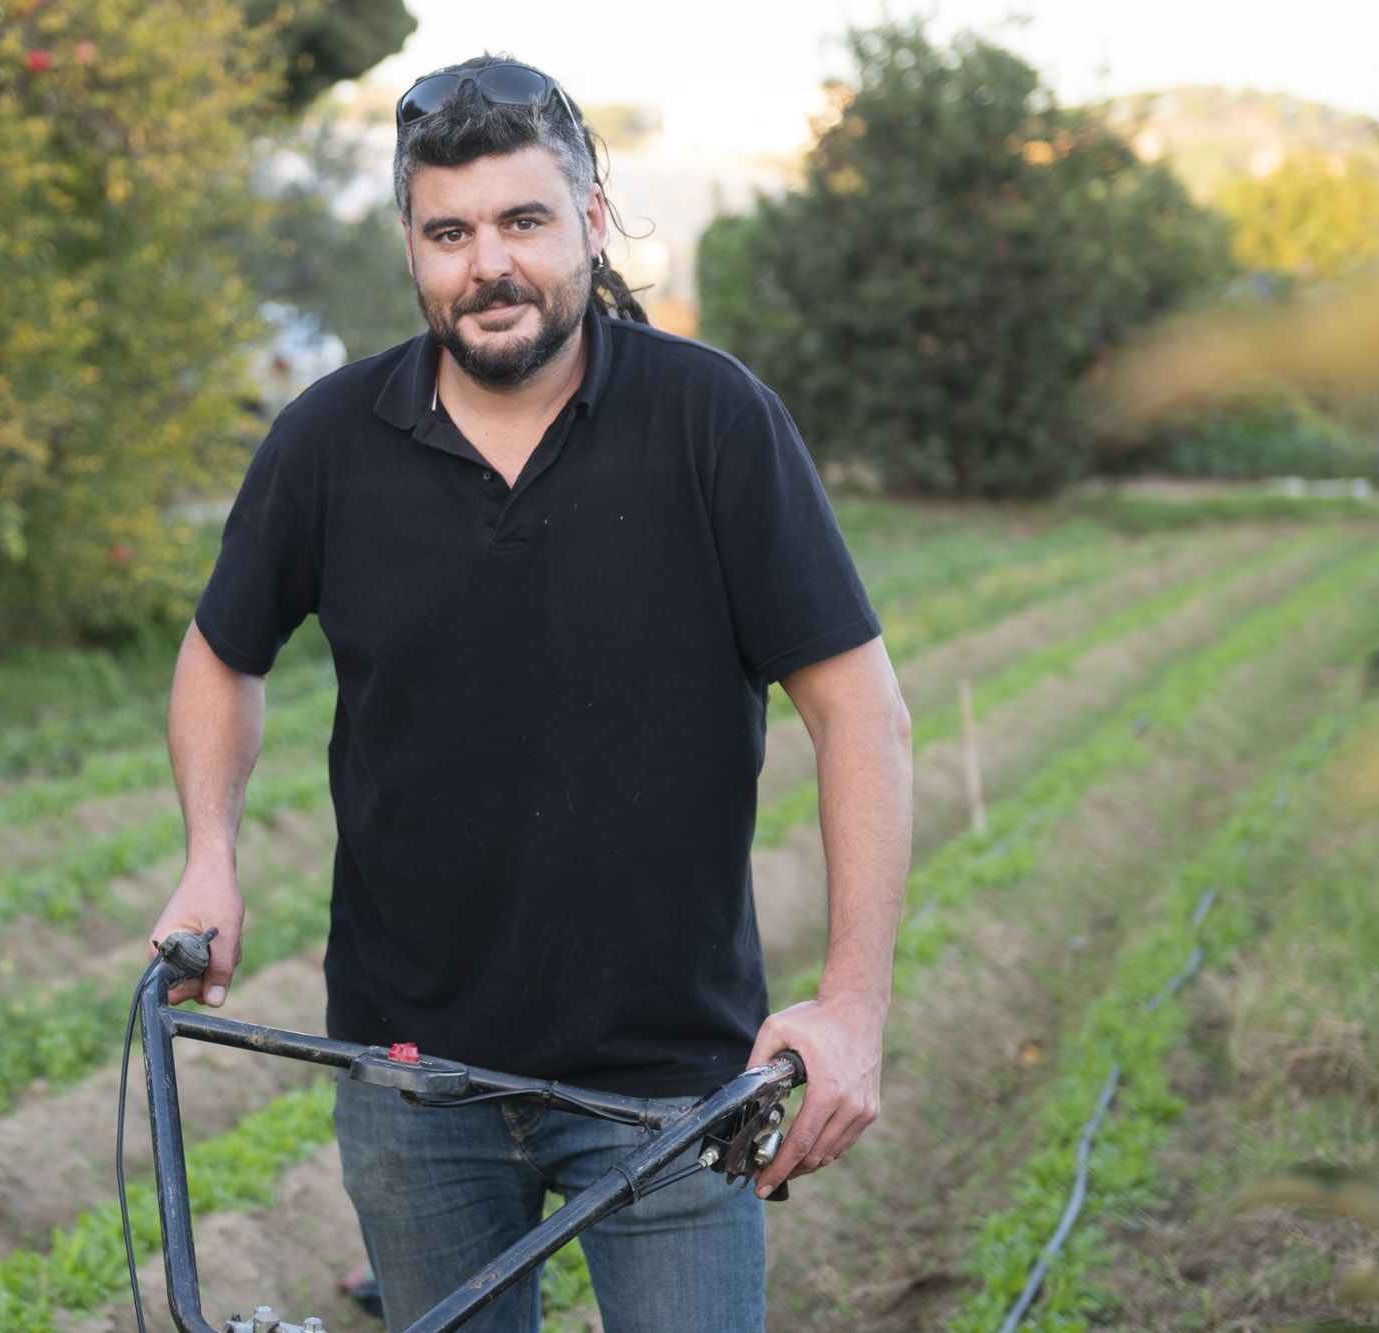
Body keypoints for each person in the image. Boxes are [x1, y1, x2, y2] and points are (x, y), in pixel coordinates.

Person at [149, 53, 913, 1332]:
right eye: (447, 233)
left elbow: (859, 712)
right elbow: (219, 655)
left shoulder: (711, 422)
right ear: (410, 245)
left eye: (521, 221)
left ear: (590, 221)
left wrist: (850, 1010)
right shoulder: (329, 441)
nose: (485, 264)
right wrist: (207, 857)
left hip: (670, 1088)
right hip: (410, 1081)